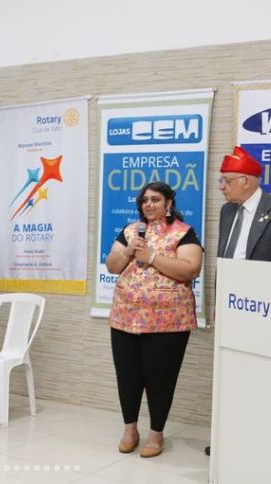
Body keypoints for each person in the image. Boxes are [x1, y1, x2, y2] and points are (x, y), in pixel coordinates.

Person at [105, 181, 202, 458]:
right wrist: (127, 251)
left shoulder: (183, 232)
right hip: (125, 317)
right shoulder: (130, 231)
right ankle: (130, 430)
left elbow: (190, 269)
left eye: (155, 199)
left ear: (168, 203)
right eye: (145, 200)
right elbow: (112, 266)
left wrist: (152, 256)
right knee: (128, 376)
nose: (149, 204)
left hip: (168, 322)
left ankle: (156, 434)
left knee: (160, 379)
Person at [204, 145, 271, 457]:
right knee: (229, 374)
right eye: (221, 180)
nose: (222, 187)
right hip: (232, 306)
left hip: (262, 310)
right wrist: (219, 300)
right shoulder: (227, 211)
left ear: (247, 181)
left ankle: (257, 444)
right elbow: (225, 258)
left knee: (259, 378)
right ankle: (227, 440)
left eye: (227, 181)